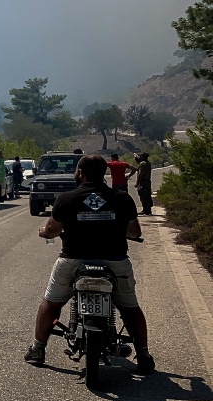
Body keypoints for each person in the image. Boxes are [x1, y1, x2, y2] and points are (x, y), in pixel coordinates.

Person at [23, 154, 154, 374]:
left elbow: (53, 230)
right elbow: (134, 232)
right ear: (104, 173)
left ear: (80, 172)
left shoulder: (66, 198)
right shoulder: (122, 199)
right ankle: (143, 354)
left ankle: (37, 349)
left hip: (73, 260)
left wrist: (43, 232)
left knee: (52, 303)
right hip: (115, 261)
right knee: (130, 308)